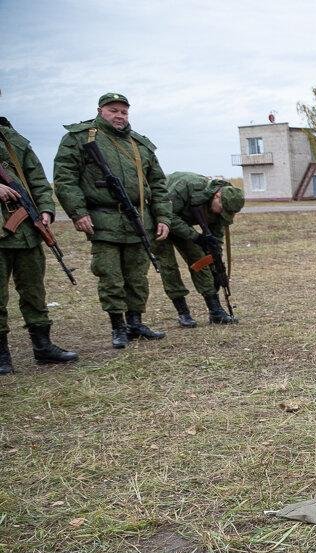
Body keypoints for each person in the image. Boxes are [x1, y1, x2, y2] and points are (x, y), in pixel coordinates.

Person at [53, 92, 171, 348]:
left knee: (137, 276)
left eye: (124, 111)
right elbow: (65, 178)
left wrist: (163, 216)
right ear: (100, 111)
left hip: (139, 220)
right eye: (113, 110)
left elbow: (159, 184)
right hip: (102, 219)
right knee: (111, 276)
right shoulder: (80, 138)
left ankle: (136, 322)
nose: (119, 115)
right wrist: (78, 211)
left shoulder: (140, 144)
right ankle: (118, 327)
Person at [0, 117, 77, 373]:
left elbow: (37, 178)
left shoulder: (13, 139)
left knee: (34, 292)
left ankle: (43, 347)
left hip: (25, 233)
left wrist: (45, 209)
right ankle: (2, 356)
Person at [156, 172, 243, 325]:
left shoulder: (223, 205)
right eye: (222, 209)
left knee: (201, 260)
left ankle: (215, 311)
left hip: (182, 223)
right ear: (217, 195)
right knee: (168, 265)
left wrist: (216, 265)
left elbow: (216, 239)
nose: (222, 214)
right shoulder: (186, 186)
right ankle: (183, 313)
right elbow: (167, 215)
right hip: (159, 221)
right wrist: (196, 237)